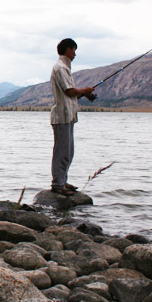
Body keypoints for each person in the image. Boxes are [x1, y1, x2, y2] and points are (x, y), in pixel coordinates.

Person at [50, 39, 94, 196]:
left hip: (67, 115)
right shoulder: (60, 68)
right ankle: (57, 184)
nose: (75, 54)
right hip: (61, 116)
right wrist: (84, 90)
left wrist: (85, 94)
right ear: (67, 49)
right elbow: (69, 91)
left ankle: (62, 180)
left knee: (68, 151)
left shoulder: (64, 68)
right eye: (74, 50)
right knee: (61, 151)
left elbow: (69, 94)